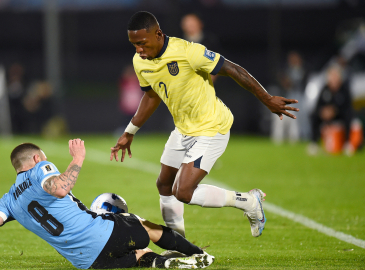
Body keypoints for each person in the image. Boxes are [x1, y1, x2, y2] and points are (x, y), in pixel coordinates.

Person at [110, 11, 299, 239]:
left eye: (142, 43)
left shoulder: (188, 51)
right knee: (164, 185)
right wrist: (130, 132)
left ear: (158, 34)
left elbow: (233, 69)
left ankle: (249, 202)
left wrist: (267, 99)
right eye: (134, 45)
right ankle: (178, 245)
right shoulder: (140, 62)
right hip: (184, 129)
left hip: (212, 128)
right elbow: (151, 96)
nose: (138, 50)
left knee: (184, 191)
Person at [0, 140, 215, 270]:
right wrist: (77, 159)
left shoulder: (9, 200)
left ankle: (167, 263)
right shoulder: (41, 168)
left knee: (139, 255)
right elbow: (61, 188)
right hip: (99, 235)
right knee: (145, 227)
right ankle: (199, 253)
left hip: (87, 263)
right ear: (37, 158)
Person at [308, 65, 355, 155]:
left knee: (348, 116)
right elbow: (318, 106)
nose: (333, 79)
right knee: (314, 115)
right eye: (331, 76)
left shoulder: (344, 90)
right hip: (326, 116)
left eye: (335, 76)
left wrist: (335, 111)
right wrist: (323, 112)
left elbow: (348, 107)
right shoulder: (325, 89)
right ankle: (314, 143)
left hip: (339, 115)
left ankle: (347, 144)